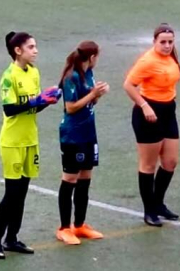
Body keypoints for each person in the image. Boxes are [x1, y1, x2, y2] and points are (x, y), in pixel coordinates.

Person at [0, 32, 61, 259]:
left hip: (30, 140)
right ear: (18, 51)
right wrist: (36, 100)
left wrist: (46, 101)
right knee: (12, 193)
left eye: (35, 46)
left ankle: (12, 238)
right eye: (31, 47)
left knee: (22, 192)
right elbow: (10, 109)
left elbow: (32, 108)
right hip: (12, 142)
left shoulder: (34, 72)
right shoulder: (9, 76)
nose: (35, 50)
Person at [123, 23, 180, 227]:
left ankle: (158, 203)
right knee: (148, 164)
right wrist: (144, 105)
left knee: (170, 161)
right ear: (154, 42)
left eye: (170, 42)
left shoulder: (172, 56)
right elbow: (128, 85)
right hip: (148, 113)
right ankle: (149, 210)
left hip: (168, 111)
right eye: (163, 42)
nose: (167, 46)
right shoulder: (147, 61)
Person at [56, 41, 109, 245]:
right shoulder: (72, 76)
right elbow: (70, 107)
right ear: (92, 57)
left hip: (88, 133)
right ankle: (63, 228)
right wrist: (93, 94)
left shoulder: (88, 73)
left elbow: (89, 100)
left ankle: (79, 224)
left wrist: (97, 95)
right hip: (72, 134)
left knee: (85, 177)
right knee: (70, 178)